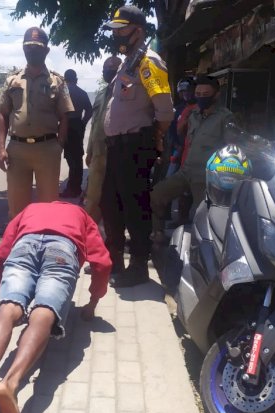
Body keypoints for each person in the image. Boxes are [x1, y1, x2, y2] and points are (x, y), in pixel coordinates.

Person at [0, 201, 111, 413]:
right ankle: (10, 385)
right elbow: (102, 262)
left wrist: (7, 296)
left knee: (7, 309)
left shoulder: (29, 209)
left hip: (24, 245)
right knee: (43, 314)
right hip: (62, 249)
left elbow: (0, 256)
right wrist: (93, 302)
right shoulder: (82, 215)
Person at [100, 5, 173, 287]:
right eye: (115, 29)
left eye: (122, 29)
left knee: (135, 207)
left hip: (134, 147)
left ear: (138, 31)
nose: (116, 34)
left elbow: (165, 111)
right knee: (111, 204)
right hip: (118, 148)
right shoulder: (128, 62)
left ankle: (139, 265)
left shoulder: (148, 63)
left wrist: (153, 137)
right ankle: (116, 259)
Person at [0, 27, 74, 218]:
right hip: (17, 150)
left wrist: (59, 144)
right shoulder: (12, 81)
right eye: (28, 47)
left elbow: (65, 115)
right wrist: (1, 149)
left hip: (47, 149)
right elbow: (3, 115)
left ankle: (48, 246)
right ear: (23, 49)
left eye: (37, 47)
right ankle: (19, 245)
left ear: (46, 50)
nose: (32, 50)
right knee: (17, 208)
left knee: (49, 207)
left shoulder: (57, 81)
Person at [150, 75, 234, 241]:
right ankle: (157, 233)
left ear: (216, 95)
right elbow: (185, 138)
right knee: (156, 195)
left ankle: (200, 248)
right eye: (198, 93)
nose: (201, 97)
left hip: (206, 176)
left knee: (199, 213)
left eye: (206, 93)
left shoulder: (226, 118)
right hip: (186, 170)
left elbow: (232, 148)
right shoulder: (193, 114)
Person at [83, 56, 122, 222]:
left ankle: (114, 238)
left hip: (118, 153)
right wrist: (90, 151)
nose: (108, 72)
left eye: (112, 69)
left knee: (115, 198)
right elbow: (95, 125)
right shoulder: (100, 95)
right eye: (105, 69)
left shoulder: (126, 93)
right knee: (92, 197)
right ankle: (89, 235)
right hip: (99, 154)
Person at [60, 69, 93, 198]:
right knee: (77, 158)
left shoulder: (62, 93)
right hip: (77, 125)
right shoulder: (82, 93)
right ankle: (75, 187)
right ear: (76, 79)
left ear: (65, 79)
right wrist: (83, 123)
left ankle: (72, 189)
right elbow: (89, 111)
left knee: (71, 158)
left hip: (65, 126)